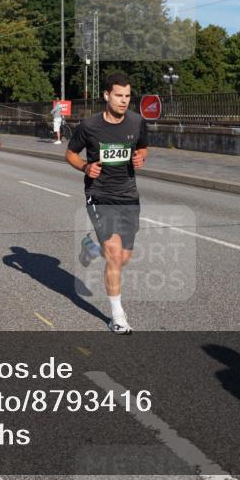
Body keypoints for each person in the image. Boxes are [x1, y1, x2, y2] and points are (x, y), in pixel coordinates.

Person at [65, 72, 148, 335]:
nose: (124, 101)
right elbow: (69, 154)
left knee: (122, 257)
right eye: (119, 96)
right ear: (106, 96)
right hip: (99, 195)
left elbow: (144, 147)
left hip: (128, 195)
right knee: (113, 253)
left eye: (127, 96)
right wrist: (85, 167)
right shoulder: (89, 126)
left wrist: (140, 157)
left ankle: (90, 245)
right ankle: (118, 316)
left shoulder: (136, 122)